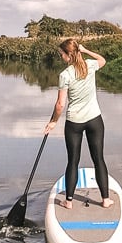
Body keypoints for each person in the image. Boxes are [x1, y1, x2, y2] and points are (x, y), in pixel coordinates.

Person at [45, 38, 113, 210]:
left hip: (74, 123)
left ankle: (68, 201)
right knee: (99, 159)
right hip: (94, 120)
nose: (61, 57)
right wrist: (85, 50)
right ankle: (105, 200)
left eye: (62, 54)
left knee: (73, 161)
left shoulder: (65, 75)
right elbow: (103, 60)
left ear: (69, 55)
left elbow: (60, 104)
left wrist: (53, 122)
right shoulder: (90, 65)